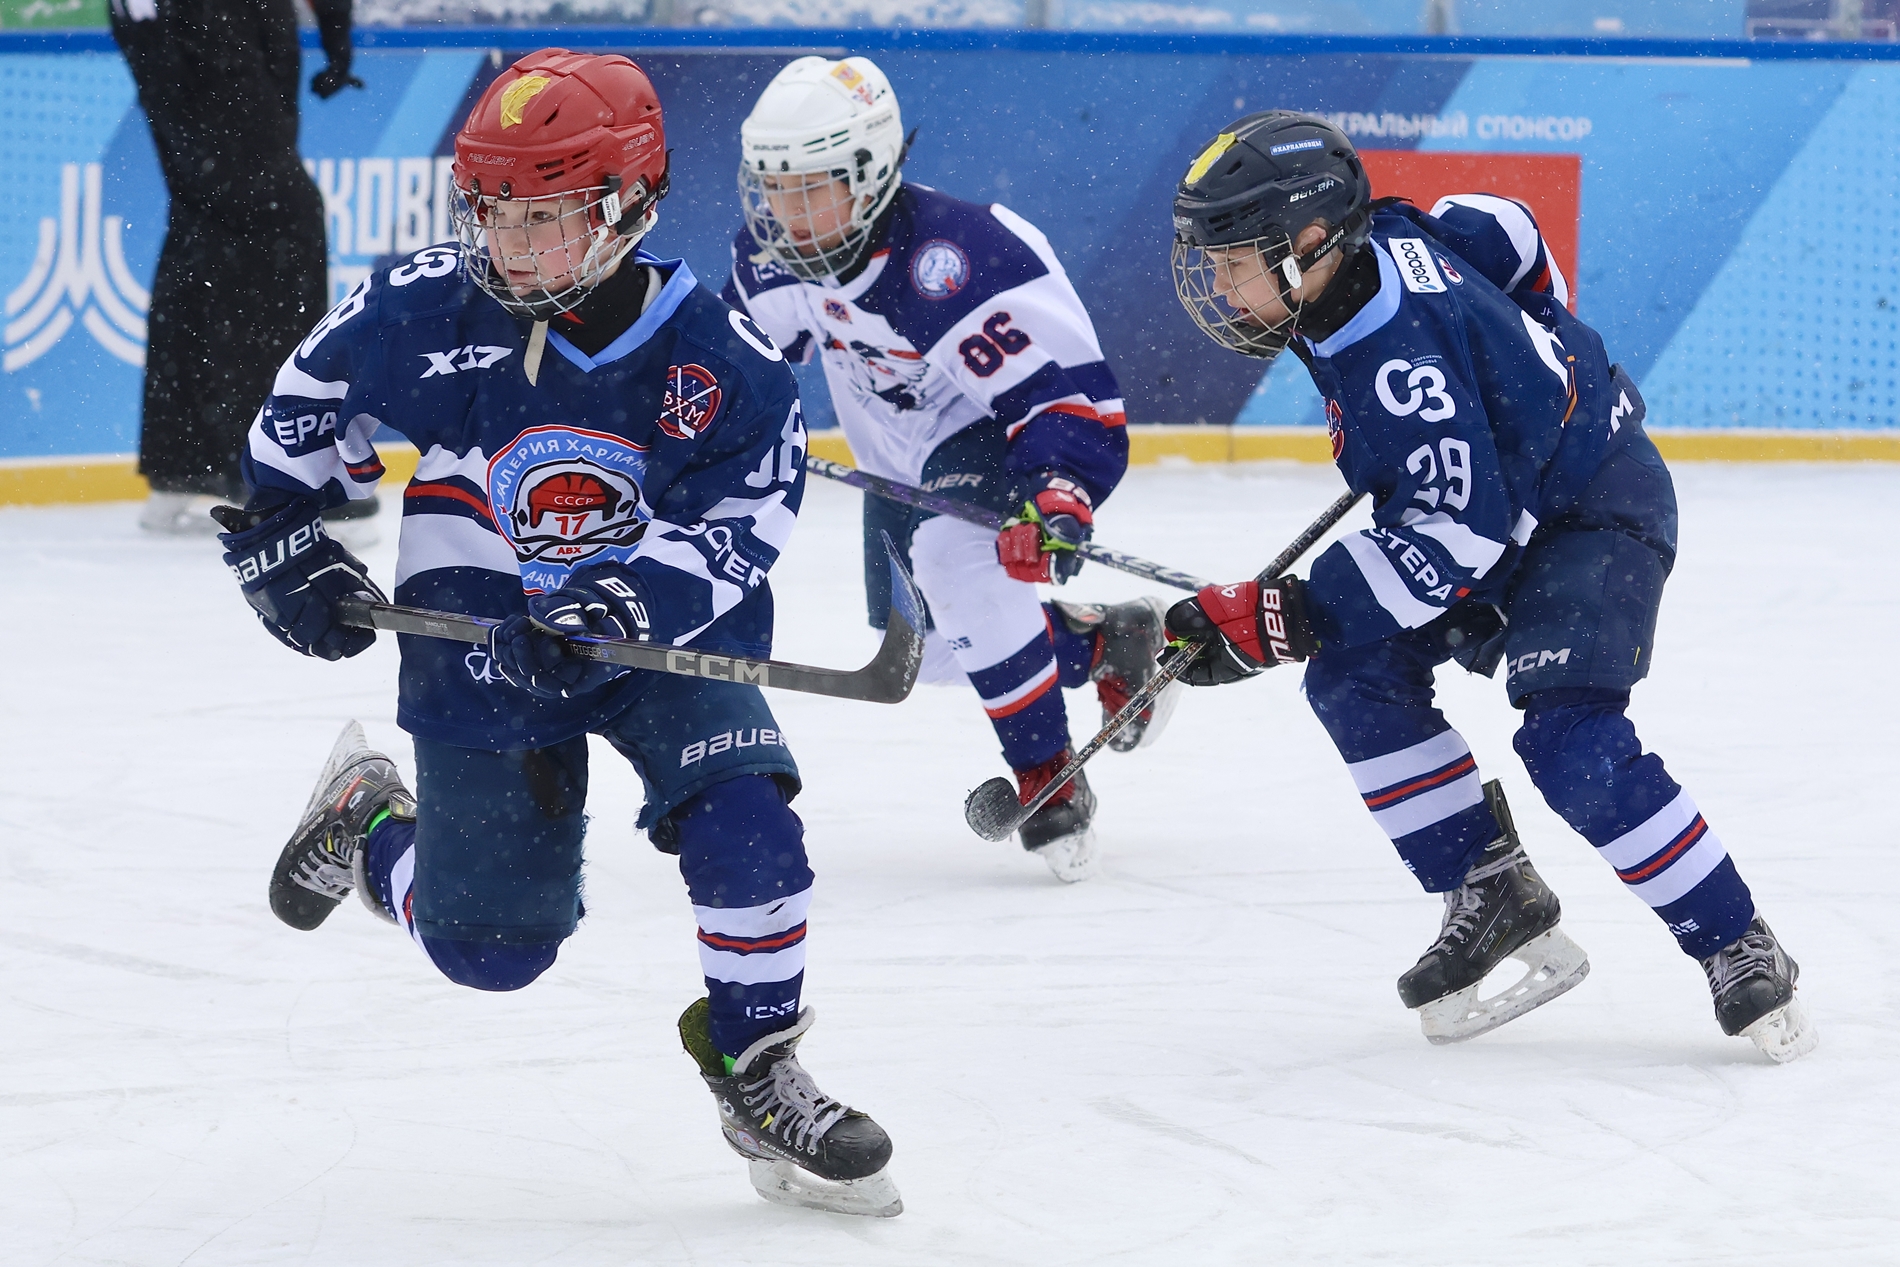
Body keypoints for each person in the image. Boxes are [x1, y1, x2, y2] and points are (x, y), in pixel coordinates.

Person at [212, 50, 901, 1216]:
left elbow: (741, 527)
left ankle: (757, 1064)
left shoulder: (721, 359)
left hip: (657, 636)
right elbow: (296, 420)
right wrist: (282, 543)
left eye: (546, 216)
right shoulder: (418, 308)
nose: (510, 245)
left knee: (748, 829)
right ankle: (369, 827)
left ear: (630, 205)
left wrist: (622, 603)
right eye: (492, 212)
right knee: (491, 951)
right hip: (478, 620)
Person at [1161, 111, 1815, 1061]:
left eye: (1233, 262)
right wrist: (1538, 338)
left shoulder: (1398, 362)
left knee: (1569, 739)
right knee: (1351, 677)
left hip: (1590, 507)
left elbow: (1455, 536)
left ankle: (1735, 939)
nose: (1220, 287)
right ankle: (1490, 885)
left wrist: (1292, 614)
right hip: (1505, 508)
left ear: (1308, 239)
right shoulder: (1383, 239)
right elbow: (1506, 230)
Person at [723, 55, 1171, 883]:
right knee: (925, 650)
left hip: (993, 438)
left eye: (810, 188)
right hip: (899, 462)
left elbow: (1062, 395)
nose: (786, 214)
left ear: (870, 174)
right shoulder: (772, 258)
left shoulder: (962, 258)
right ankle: (1107, 640)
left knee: (954, 561)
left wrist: (1058, 488)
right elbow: (737, 371)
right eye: (774, 190)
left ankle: (1047, 773)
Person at [109, 0, 374, 535]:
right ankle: (277, 473)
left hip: (195, 18)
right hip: (207, 17)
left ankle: (188, 463)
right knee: (275, 223)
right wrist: (336, 36)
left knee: (207, 223)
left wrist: (335, 36)